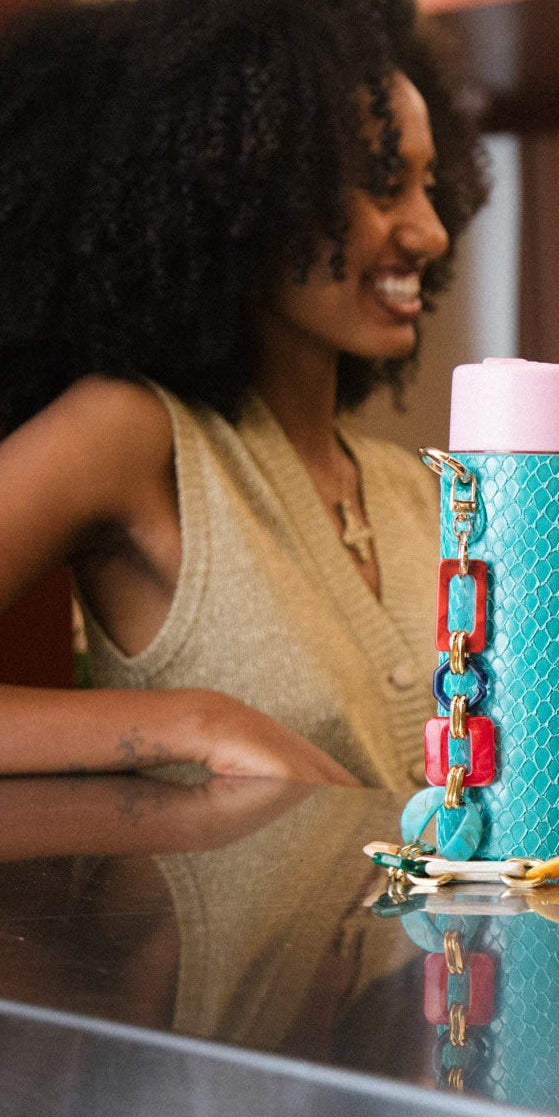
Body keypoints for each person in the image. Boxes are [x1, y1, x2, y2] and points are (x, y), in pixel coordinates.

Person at [0, 0, 488, 786]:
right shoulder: (131, 437)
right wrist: (192, 724)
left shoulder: (423, 492)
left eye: (430, 185)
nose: (431, 231)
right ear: (243, 190)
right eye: (383, 184)